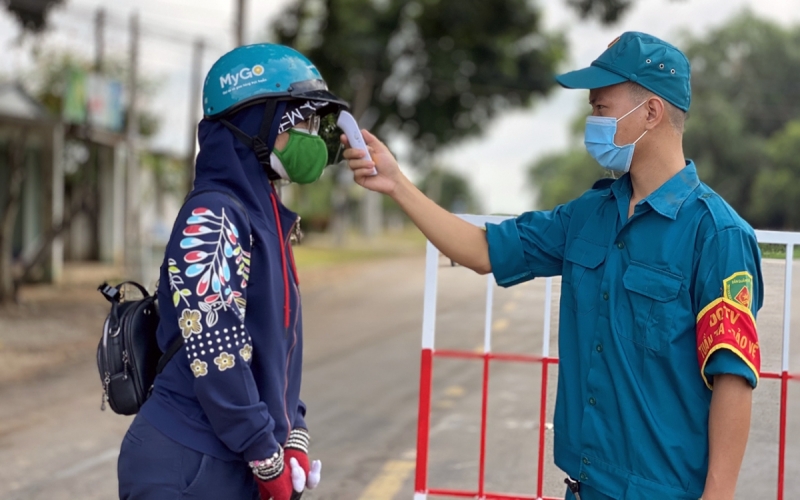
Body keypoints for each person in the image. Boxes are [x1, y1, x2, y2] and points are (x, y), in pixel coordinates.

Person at [343, 32, 761, 500]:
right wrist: (398, 183)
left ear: (650, 113)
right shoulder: (589, 215)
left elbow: (732, 376)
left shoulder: (717, 234)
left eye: (601, 109)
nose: (592, 122)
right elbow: (483, 250)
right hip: (586, 487)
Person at [117, 43, 348, 500]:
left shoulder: (262, 216)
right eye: (298, 120)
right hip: (185, 462)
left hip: (232, 460)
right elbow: (213, 345)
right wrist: (264, 453)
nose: (309, 134)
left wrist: (292, 433)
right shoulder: (214, 216)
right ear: (255, 124)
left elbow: (278, 345)